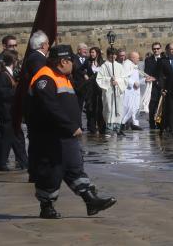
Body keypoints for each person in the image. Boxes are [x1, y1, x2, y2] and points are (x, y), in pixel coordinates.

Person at [27, 44, 116, 219]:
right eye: (71, 61)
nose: (73, 65)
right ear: (63, 61)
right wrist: (70, 126)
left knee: (75, 167)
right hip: (50, 136)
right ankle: (46, 206)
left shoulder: (62, 76)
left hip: (66, 135)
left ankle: (91, 201)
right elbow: (50, 107)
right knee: (52, 172)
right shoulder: (45, 78)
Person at [0, 51, 27, 171]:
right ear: (14, 61)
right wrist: (18, 91)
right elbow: (3, 93)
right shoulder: (3, 75)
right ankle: (1, 164)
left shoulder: (9, 73)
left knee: (16, 138)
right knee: (7, 139)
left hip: (12, 112)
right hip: (7, 111)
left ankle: (24, 162)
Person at [96, 48, 128, 138]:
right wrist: (109, 80)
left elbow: (125, 78)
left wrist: (117, 81)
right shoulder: (104, 66)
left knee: (118, 109)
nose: (113, 56)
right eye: (111, 54)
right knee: (109, 109)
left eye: (114, 55)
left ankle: (118, 129)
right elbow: (99, 79)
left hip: (118, 91)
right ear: (108, 55)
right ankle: (109, 128)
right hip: (108, 92)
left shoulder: (119, 66)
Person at [84, 47, 105, 134]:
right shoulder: (88, 62)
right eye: (90, 52)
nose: (91, 54)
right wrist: (85, 75)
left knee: (101, 107)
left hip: (100, 88)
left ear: (97, 53)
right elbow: (81, 70)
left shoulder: (103, 63)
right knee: (91, 106)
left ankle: (102, 127)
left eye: (93, 52)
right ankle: (91, 127)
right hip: (91, 87)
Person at [121, 52, 143, 131]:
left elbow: (138, 76)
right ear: (132, 58)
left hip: (135, 91)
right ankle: (122, 123)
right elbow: (124, 76)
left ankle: (135, 123)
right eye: (137, 58)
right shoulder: (127, 64)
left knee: (135, 107)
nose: (139, 59)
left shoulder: (134, 65)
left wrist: (146, 79)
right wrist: (133, 83)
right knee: (128, 107)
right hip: (129, 91)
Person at [144, 42, 164, 130]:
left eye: (157, 48)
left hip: (162, 85)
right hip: (152, 87)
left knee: (162, 105)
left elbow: (165, 73)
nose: (156, 50)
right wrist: (148, 78)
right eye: (154, 49)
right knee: (152, 105)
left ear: (160, 49)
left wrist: (156, 79)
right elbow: (147, 72)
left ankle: (161, 123)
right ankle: (152, 124)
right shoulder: (148, 60)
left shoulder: (164, 59)